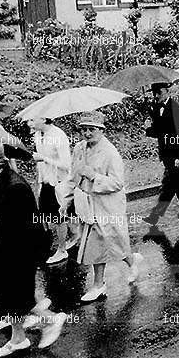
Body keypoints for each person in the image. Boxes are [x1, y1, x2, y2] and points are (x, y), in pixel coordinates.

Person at [0, 144, 67, 358]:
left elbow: (16, 225)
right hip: (9, 246)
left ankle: (49, 318)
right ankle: (18, 339)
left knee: (18, 296)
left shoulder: (15, 186)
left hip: (23, 247)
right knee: (10, 294)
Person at [61, 111, 142, 302]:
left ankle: (112, 275)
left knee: (109, 241)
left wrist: (94, 176)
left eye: (92, 129)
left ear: (101, 130)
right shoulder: (79, 148)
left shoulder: (110, 152)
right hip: (88, 204)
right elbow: (73, 175)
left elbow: (117, 183)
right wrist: (67, 199)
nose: (87, 133)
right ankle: (110, 276)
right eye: (84, 129)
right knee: (100, 242)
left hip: (108, 204)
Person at [27, 117, 76, 264]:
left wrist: (44, 158)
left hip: (59, 182)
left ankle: (62, 250)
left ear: (43, 119)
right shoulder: (38, 135)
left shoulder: (58, 135)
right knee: (49, 215)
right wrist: (40, 181)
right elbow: (40, 163)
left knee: (58, 217)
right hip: (46, 181)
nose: (30, 123)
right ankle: (75, 235)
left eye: (32, 119)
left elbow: (67, 165)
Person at [143, 82, 179, 229]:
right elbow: (160, 132)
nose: (156, 95)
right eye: (154, 92)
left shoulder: (178, 109)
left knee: (176, 186)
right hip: (166, 154)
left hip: (176, 155)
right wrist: (148, 128)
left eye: (159, 92)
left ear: (167, 91)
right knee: (173, 185)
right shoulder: (156, 107)